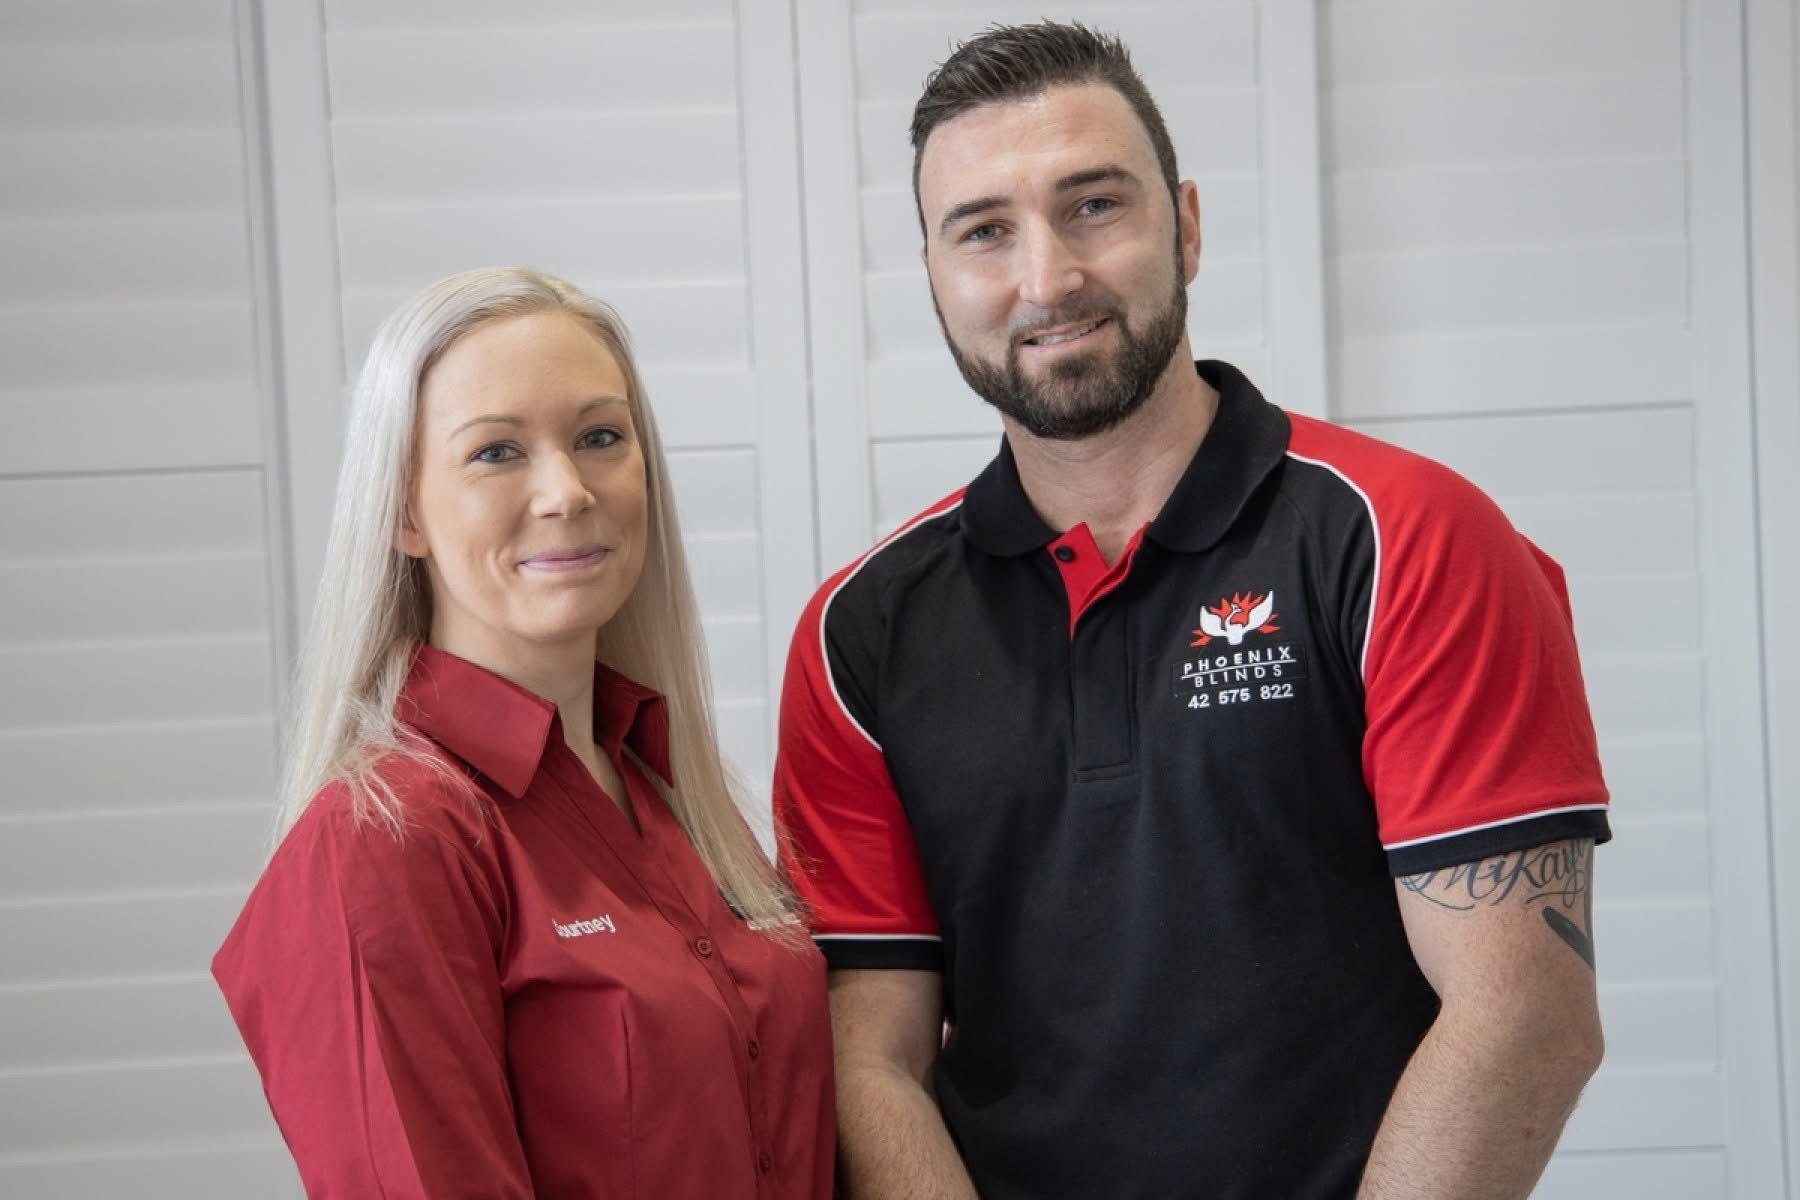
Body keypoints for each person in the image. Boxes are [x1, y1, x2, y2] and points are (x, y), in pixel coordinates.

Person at [774, 22, 1609, 1200]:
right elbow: (869, 1058)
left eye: (1095, 205)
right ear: (934, 277)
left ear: (1190, 226)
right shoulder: (860, 633)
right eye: (984, 231)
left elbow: (1524, 1015)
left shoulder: (1403, 538)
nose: (1047, 277)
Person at [214, 267, 835, 1198]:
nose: (566, 491)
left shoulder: (679, 800)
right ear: (403, 512)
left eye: (599, 438)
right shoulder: (380, 845)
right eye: (496, 453)